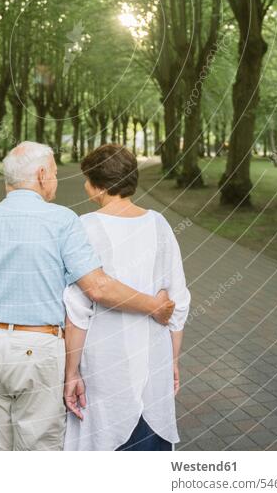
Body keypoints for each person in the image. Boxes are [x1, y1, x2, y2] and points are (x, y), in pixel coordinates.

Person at [0, 141, 175, 451]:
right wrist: (155, 305)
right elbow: (97, 287)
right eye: (57, 173)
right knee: (41, 453)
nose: (57, 180)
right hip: (36, 349)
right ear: (43, 174)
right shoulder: (61, 220)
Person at [63, 143, 190, 451]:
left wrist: (71, 372)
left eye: (86, 178)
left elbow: (78, 310)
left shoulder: (84, 227)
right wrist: (172, 360)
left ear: (98, 185)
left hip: (105, 364)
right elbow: (179, 301)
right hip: (154, 357)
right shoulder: (159, 223)